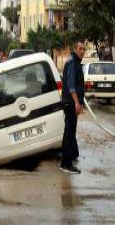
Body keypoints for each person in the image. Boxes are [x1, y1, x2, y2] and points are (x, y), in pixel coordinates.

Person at [61, 40, 85, 174]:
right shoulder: (72, 63)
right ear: (75, 49)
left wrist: (80, 103)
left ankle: (68, 158)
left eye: (83, 49)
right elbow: (71, 87)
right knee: (69, 133)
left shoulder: (76, 63)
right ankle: (66, 164)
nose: (82, 51)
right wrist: (76, 102)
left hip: (72, 103)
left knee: (69, 133)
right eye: (80, 49)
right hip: (70, 103)